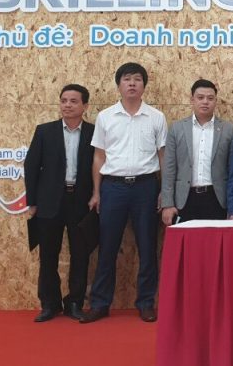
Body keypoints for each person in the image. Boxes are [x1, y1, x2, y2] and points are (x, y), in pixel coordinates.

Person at [81, 62, 167, 324]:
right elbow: (99, 156)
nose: (132, 83)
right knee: (107, 247)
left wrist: (165, 191)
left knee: (147, 247)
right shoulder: (106, 117)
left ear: (144, 85)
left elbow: (163, 156)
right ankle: (100, 303)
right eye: (127, 79)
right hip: (113, 188)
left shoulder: (156, 117)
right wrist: (97, 192)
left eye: (137, 79)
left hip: (146, 187)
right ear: (119, 85)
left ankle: (146, 303)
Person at [24, 84, 95, 322]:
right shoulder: (45, 131)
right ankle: (49, 304)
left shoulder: (94, 133)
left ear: (85, 106)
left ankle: (74, 303)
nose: (67, 105)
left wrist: (97, 195)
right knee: (48, 255)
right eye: (64, 100)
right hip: (49, 201)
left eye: (74, 101)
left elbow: (102, 166)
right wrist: (32, 202)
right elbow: (31, 167)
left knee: (80, 255)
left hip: (81, 201)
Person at [160, 79, 233, 225]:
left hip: (217, 198)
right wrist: (167, 204)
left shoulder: (228, 129)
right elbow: (169, 168)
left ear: (216, 101)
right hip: (184, 198)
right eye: (200, 97)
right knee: (187, 239)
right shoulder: (177, 128)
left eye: (210, 98)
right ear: (192, 100)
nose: (205, 102)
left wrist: (232, 206)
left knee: (215, 239)